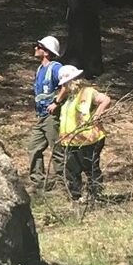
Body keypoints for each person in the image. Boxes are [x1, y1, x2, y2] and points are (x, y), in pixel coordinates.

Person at [56, 65, 111, 202]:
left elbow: (105, 100)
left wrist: (97, 116)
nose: (64, 87)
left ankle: (95, 195)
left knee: (90, 167)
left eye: (65, 83)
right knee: (71, 169)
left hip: (89, 139)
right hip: (71, 141)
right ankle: (76, 196)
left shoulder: (88, 92)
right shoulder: (70, 97)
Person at [28, 35, 64, 189]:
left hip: (51, 117)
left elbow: (68, 84)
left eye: (39, 47)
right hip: (41, 116)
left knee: (57, 150)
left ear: (47, 52)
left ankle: (64, 184)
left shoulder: (56, 68)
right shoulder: (40, 69)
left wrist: (56, 102)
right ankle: (38, 182)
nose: (36, 48)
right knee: (33, 147)